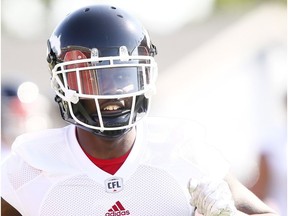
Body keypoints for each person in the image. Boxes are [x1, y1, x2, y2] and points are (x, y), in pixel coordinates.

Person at [1, 4, 278, 216]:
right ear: (62, 82)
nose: (112, 93)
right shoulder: (29, 167)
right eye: (93, 78)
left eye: (123, 76)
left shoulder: (184, 151)